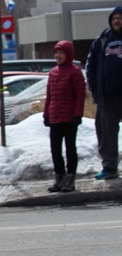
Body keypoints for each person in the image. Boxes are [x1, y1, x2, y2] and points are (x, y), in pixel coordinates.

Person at [43, 40, 86, 193]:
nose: (58, 56)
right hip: (55, 116)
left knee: (69, 149)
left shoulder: (75, 72)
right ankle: (59, 177)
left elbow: (81, 95)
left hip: (69, 117)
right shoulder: (53, 72)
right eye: (56, 53)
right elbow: (49, 95)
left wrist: (77, 114)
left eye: (61, 53)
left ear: (68, 54)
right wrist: (46, 113)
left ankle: (70, 178)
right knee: (55, 149)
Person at [86, 6, 122, 180]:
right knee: (106, 133)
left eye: (120, 18)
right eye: (114, 18)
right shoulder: (102, 39)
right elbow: (91, 65)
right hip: (107, 96)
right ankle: (109, 167)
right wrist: (93, 86)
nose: (117, 21)